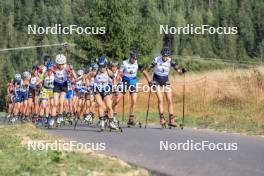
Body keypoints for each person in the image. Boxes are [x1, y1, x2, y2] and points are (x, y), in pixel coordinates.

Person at [147, 47, 187, 127]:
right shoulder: (157, 59)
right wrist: (150, 80)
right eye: (164, 56)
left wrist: (182, 71)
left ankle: (171, 120)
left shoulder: (171, 61)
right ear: (161, 55)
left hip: (165, 80)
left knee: (169, 100)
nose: (165, 57)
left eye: (167, 56)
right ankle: (162, 118)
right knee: (160, 99)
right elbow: (148, 69)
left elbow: (178, 72)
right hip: (156, 80)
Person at [118, 48, 149, 126]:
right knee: (118, 99)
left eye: (136, 58)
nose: (135, 59)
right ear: (131, 57)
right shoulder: (124, 63)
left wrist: (150, 81)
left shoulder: (138, 63)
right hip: (125, 81)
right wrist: (120, 75)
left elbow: (144, 72)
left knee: (134, 101)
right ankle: (109, 113)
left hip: (133, 82)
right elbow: (120, 72)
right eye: (134, 58)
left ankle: (131, 118)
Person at [87, 56, 119, 130]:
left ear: (106, 65)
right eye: (100, 66)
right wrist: (88, 86)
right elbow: (87, 78)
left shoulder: (108, 72)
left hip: (105, 90)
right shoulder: (95, 72)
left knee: (109, 106)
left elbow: (114, 78)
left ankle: (111, 122)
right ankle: (102, 121)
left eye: (103, 66)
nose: (102, 68)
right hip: (97, 90)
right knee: (100, 105)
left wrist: (114, 87)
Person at [49, 54, 77, 125]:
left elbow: (75, 77)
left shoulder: (66, 67)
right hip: (56, 85)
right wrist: (50, 69)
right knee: (55, 103)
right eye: (59, 64)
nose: (61, 66)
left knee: (61, 102)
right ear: (57, 64)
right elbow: (47, 74)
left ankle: (60, 116)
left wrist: (71, 69)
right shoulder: (54, 67)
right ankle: (52, 118)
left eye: (62, 64)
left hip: (64, 85)